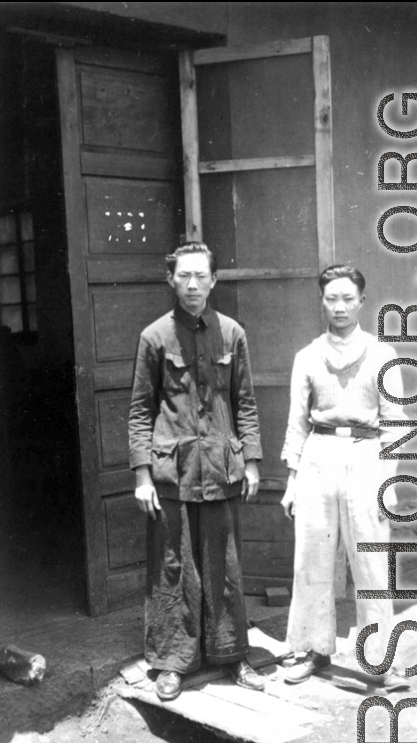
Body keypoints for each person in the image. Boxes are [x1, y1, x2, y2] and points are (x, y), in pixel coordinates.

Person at [129, 241, 264, 701]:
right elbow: (139, 411)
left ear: (213, 280)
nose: (191, 285)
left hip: (221, 468)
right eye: (183, 276)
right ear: (171, 280)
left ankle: (232, 655)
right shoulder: (154, 337)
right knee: (174, 568)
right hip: (174, 472)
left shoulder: (232, 334)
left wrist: (251, 463)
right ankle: (172, 663)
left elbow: (244, 403)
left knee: (225, 566)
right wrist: (142, 476)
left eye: (200, 276)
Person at [280, 264, 410, 691]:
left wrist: (387, 481)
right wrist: (293, 480)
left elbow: (396, 423)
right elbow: (297, 424)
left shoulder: (382, 355)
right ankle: (313, 649)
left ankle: (380, 661)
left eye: (347, 298)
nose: (339, 307)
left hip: (366, 456)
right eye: (331, 298)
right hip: (319, 456)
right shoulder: (307, 356)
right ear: (322, 301)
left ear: (361, 302)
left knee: (371, 562)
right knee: (313, 558)